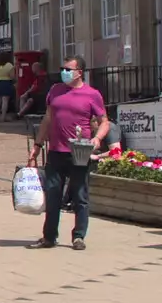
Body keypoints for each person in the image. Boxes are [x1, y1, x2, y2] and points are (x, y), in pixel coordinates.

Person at [31, 57, 110, 250]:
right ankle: (49, 237)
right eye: (62, 69)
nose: (63, 72)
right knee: (53, 194)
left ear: (79, 72)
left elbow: (104, 122)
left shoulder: (92, 94)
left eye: (68, 69)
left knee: (80, 195)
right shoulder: (55, 90)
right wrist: (37, 145)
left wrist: (97, 139)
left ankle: (79, 236)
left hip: (79, 152)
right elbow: (47, 118)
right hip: (56, 151)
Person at [0, 51, 17, 122]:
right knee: (5, 101)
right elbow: (12, 76)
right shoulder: (9, 65)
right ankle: (3, 117)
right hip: (6, 83)